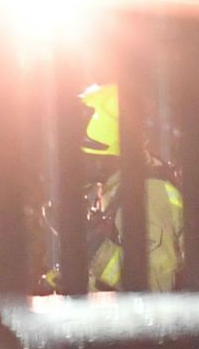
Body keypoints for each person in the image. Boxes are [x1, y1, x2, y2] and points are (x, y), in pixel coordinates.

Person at [66, 83, 185, 292]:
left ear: (111, 154)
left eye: (86, 157)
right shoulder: (116, 186)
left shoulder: (147, 194)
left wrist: (95, 248)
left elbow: (157, 287)